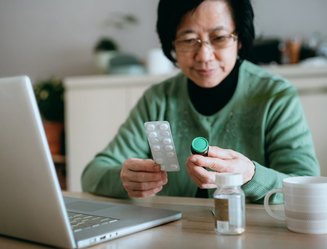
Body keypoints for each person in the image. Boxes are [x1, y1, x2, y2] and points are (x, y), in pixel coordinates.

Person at [81, 0, 320, 203]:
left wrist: (251, 175)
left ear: (240, 40)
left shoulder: (275, 96)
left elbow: (305, 185)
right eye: (188, 40)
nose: (204, 56)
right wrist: (124, 179)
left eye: (219, 37)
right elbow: (92, 174)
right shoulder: (157, 100)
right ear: (171, 43)